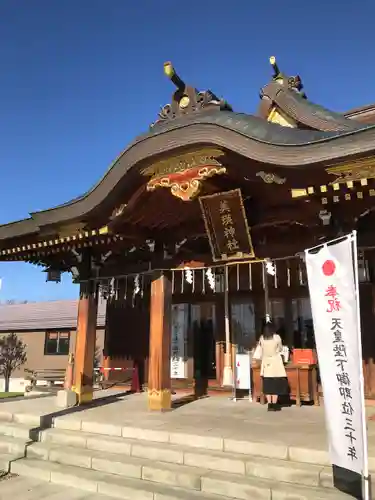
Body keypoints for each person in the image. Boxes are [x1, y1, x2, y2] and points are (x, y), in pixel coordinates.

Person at [258, 322, 289, 411]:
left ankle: (269, 404)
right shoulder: (277, 337)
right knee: (275, 384)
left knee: (268, 384)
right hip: (275, 361)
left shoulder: (262, 338)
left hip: (266, 361)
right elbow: (280, 348)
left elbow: (261, 349)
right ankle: (274, 404)